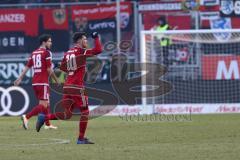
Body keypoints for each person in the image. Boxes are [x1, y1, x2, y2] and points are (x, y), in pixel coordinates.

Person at [36, 32, 102, 144]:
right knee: (85, 111)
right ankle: (81, 139)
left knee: (67, 114)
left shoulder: (67, 53)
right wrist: (96, 38)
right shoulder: (81, 51)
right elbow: (98, 50)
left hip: (67, 86)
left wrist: (77, 68)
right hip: (77, 87)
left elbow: (63, 68)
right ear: (79, 41)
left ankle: (44, 117)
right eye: (85, 39)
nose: (86, 41)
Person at [14, 34, 60, 130]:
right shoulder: (47, 53)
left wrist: (20, 78)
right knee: (43, 105)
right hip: (42, 82)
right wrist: (57, 80)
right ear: (44, 42)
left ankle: (47, 124)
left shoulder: (34, 53)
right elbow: (49, 69)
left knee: (46, 103)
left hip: (35, 82)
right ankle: (26, 117)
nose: (51, 43)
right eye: (49, 41)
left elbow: (27, 66)